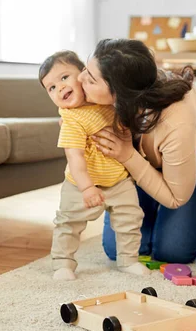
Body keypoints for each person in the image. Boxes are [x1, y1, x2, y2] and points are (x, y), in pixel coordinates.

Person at [79, 39, 196, 264]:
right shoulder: (99, 99)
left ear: (120, 95)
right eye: (86, 69)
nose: (80, 78)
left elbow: (176, 198)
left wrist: (127, 155)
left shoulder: (176, 122)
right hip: (144, 154)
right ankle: (154, 207)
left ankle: (163, 212)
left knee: (173, 252)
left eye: (91, 79)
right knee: (121, 248)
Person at [39, 50, 149, 280]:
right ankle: (63, 263)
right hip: (80, 184)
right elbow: (75, 157)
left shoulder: (106, 100)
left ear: (83, 76)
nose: (59, 87)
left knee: (130, 219)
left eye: (64, 78)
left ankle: (128, 260)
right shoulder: (72, 119)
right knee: (68, 222)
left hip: (118, 180)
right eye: (51, 87)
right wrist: (87, 188)